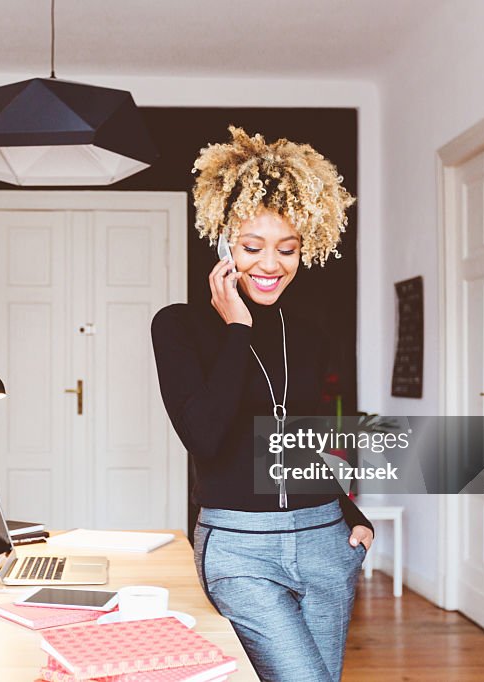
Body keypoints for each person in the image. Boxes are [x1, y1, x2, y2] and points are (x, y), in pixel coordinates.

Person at [151, 126, 373, 682]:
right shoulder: (178, 326)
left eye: (288, 249)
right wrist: (236, 330)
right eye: (252, 248)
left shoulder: (310, 332)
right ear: (224, 241)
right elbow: (203, 434)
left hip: (325, 539)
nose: (271, 265)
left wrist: (349, 512)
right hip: (240, 548)